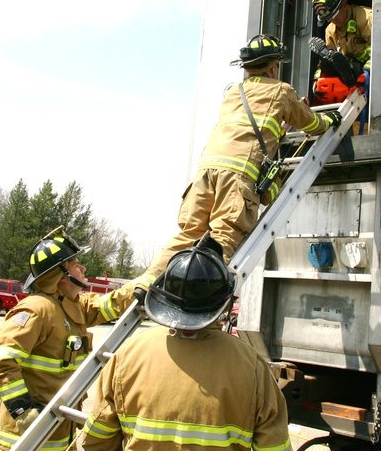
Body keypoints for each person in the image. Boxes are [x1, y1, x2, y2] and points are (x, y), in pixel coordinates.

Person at [83, 235, 293, 451]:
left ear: (164, 297)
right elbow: (274, 450)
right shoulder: (252, 365)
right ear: (223, 301)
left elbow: (98, 435)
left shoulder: (127, 355)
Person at [140, 34, 340, 283]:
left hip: (205, 174)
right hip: (236, 178)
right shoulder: (281, 90)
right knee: (222, 240)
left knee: (189, 235)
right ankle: (199, 296)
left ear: (246, 68)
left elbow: (248, 130)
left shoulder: (234, 93)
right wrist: (330, 120)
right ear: (273, 66)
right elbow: (311, 124)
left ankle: (147, 282)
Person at [0, 227, 143, 451]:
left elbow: (110, 304)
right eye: (75, 264)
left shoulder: (73, 307)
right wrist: (23, 410)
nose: (83, 268)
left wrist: (147, 282)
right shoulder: (37, 309)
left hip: (59, 443)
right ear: (61, 275)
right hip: (28, 444)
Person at [311, 0, 372, 130]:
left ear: (345, 4)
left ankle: (346, 71)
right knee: (329, 61)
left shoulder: (365, 17)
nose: (333, 20)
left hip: (367, 68)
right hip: (348, 70)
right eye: (329, 17)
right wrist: (317, 80)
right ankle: (331, 63)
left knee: (349, 67)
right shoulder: (330, 29)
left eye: (335, 14)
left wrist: (367, 72)